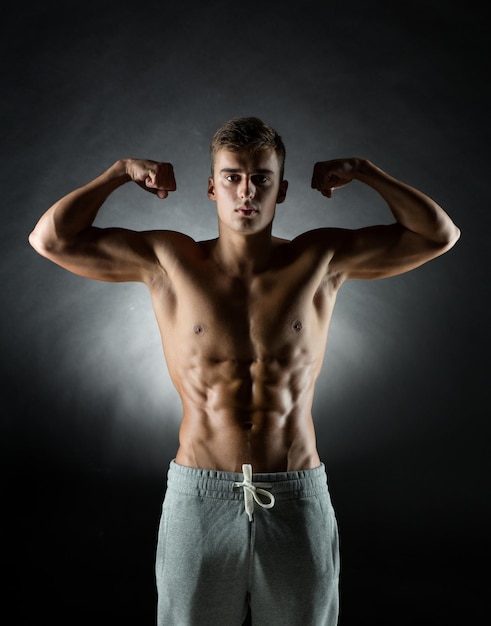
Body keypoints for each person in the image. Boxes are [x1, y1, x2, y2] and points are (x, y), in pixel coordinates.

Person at [28, 116, 460, 626]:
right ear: (212, 187)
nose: (246, 191)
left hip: (296, 493)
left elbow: (438, 234)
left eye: (262, 178)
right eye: (232, 177)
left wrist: (366, 171)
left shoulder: (319, 259)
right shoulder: (170, 260)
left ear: (282, 190)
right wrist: (119, 172)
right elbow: (50, 239)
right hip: (199, 495)